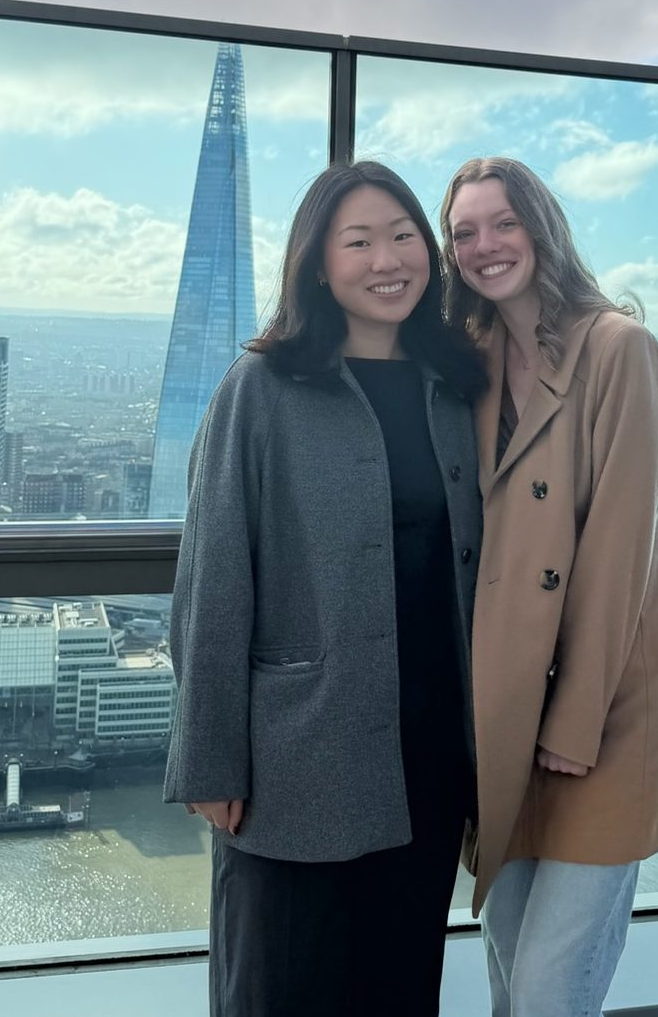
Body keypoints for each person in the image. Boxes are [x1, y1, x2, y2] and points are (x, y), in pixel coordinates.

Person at [164, 160, 487, 1017]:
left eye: (404, 235)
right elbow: (212, 579)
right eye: (359, 241)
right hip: (297, 758)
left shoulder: (453, 388)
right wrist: (209, 758)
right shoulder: (261, 387)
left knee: (399, 987)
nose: (388, 259)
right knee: (277, 986)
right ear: (316, 263)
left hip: (425, 757)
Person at [440, 156, 658, 1017]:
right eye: (464, 231)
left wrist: (575, 721)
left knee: (551, 986)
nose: (485, 245)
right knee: (508, 967)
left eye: (503, 222)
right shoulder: (467, 359)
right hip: (506, 707)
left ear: (542, 228)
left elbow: (622, 553)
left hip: (603, 715)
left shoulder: (620, 349)